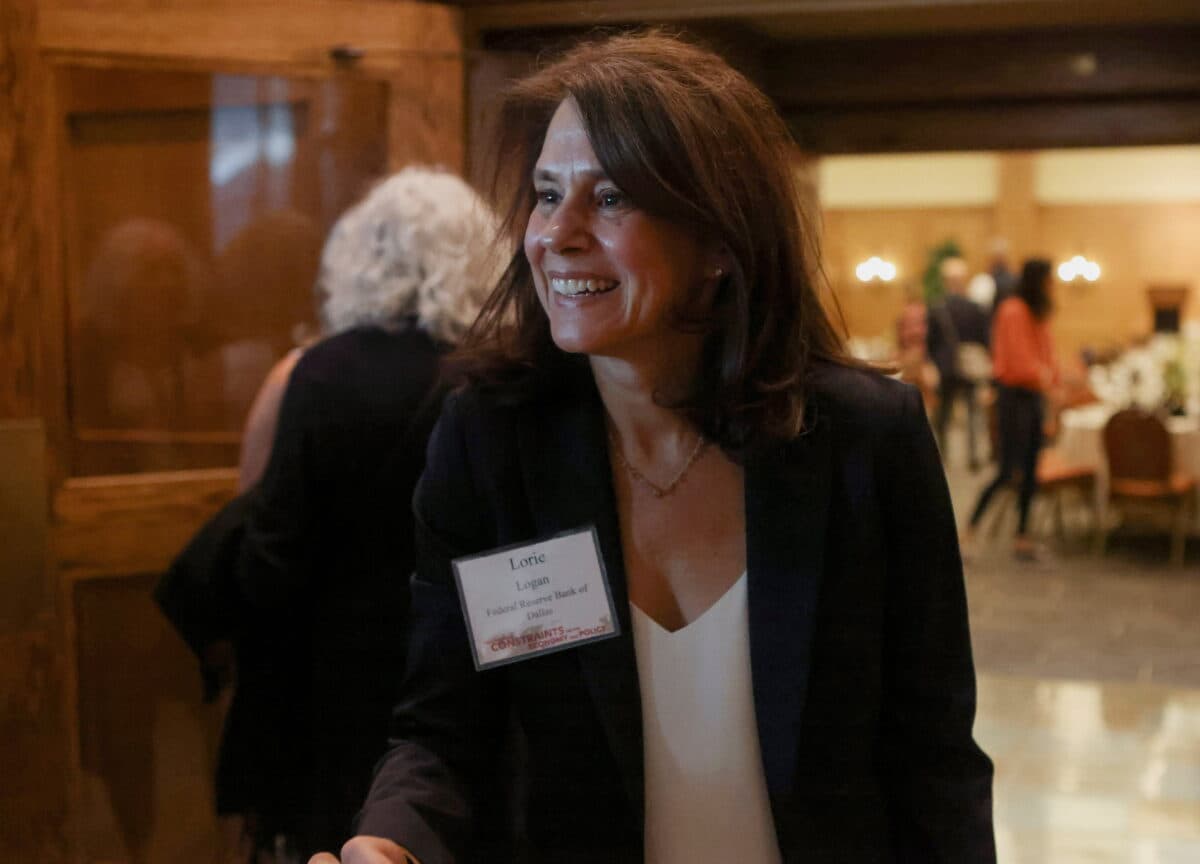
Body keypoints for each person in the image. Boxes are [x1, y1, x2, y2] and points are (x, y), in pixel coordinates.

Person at [315, 32, 994, 864]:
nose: (556, 235)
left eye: (609, 199)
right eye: (546, 193)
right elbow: (442, 727)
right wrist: (391, 842)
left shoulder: (863, 442)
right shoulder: (490, 441)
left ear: (718, 242)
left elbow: (935, 760)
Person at [179, 167, 502, 860]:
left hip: (339, 682)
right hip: (467, 669)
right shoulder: (496, 373)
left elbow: (273, 561)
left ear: (359, 257)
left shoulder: (321, 371)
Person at [963, 258, 1058, 560]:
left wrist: (1052, 378)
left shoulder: (1035, 312)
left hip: (1032, 398)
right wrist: (1044, 376)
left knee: (1031, 470)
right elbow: (1018, 362)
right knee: (1007, 470)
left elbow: (1047, 355)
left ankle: (1022, 536)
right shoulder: (1013, 310)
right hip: (1014, 398)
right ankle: (969, 529)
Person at [927, 256, 991, 470]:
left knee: (943, 414)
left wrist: (933, 364)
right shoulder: (975, 307)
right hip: (970, 366)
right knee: (973, 413)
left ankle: (942, 457)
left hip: (945, 368)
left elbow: (931, 342)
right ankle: (973, 456)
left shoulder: (936, 308)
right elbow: (985, 339)